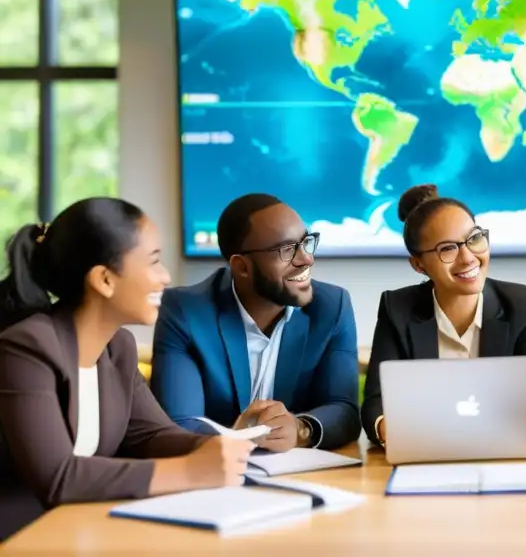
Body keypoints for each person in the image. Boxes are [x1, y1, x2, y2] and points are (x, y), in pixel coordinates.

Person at [0, 198, 253, 542]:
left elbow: (150, 435)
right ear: (104, 280)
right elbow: (58, 477)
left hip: (83, 530)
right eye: (153, 262)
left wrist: (227, 446)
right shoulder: (25, 348)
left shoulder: (118, 347)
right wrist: (190, 470)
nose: (165, 277)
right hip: (21, 535)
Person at [150, 194, 360, 451]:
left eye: (306, 242)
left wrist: (300, 428)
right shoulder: (185, 311)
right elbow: (178, 423)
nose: (306, 259)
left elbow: (345, 410)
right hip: (213, 474)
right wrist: (237, 438)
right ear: (242, 267)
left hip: (302, 473)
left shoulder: (332, 307)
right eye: (286, 250)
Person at [361, 184, 526, 447]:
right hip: (427, 455)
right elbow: (375, 403)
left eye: (474, 239)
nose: (468, 258)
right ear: (418, 264)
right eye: (448, 249)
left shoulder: (521, 306)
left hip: (503, 456)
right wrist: (386, 425)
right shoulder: (397, 308)